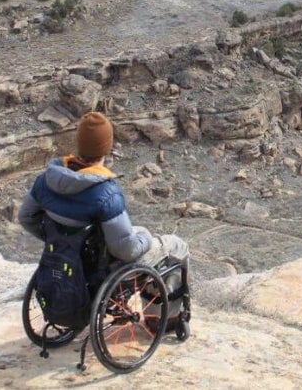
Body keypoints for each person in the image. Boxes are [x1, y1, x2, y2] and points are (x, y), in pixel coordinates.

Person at [18, 111, 189, 326]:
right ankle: (164, 322)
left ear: (78, 144)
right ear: (105, 148)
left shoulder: (45, 180)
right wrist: (145, 237)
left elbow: (26, 217)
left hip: (68, 257)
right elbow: (125, 250)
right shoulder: (106, 193)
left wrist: (61, 241)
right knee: (176, 247)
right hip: (105, 267)